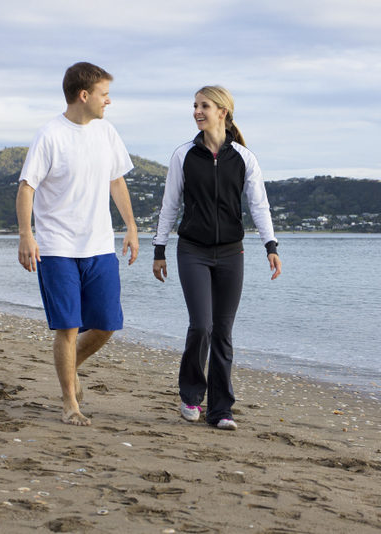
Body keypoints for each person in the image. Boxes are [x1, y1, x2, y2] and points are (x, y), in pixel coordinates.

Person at [152, 85, 281, 430]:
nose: (197, 111)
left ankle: (221, 409)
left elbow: (259, 205)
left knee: (223, 331)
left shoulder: (243, 158)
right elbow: (170, 205)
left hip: (230, 254)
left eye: (203, 106)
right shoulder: (183, 155)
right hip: (192, 250)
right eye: (194, 105)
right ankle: (191, 395)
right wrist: (159, 249)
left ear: (222, 112)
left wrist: (271, 245)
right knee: (201, 326)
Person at [16, 61, 138, 427]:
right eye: (104, 94)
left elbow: (117, 181)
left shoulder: (107, 132)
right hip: (56, 248)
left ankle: (71, 369)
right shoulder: (50, 135)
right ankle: (70, 402)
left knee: (106, 325)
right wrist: (26, 235)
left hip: (99, 246)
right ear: (84, 96)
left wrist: (131, 226)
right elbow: (26, 188)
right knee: (67, 328)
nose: (109, 101)